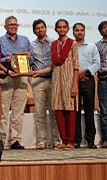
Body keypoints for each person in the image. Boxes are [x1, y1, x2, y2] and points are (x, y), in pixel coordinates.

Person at [33, 19, 79, 149]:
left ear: (68, 29)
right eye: (59, 27)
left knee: (70, 111)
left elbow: (76, 66)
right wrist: (37, 72)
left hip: (69, 81)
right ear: (56, 29)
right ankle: (63, 141)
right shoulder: (53, 45)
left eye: (64, 27)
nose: (62, 29)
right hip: (56, 82)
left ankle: (70, 141)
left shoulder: (73, 43)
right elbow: (51, 66)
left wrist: (75, 85)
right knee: (58, 111)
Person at [0, 16, 33, 150]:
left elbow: (32, 59)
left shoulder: (25, 40)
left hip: (21, 78)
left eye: (15, 24)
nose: (13, 26)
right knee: (3, 111)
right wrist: (6, 59)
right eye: (10, 24)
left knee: (18, 112)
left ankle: (15, 139)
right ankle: (1, 139)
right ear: (5, 26)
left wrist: (28, 57)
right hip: (6, 77)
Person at [29, 19, 61, 149]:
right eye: (37, 28)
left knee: (54, 113)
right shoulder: (31, 45)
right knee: (40, 113)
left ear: (46, 28)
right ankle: (41, 140)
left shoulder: (54, 42)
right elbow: (28, 62)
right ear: (34, 31)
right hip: (37, 81)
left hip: (53, 80)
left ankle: (56, 140)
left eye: (42, 27)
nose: (40, 30)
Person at [73, 22, 100, 149]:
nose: (79, 32)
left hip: (88, 80)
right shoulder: (71, 46)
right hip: (73, 81)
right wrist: (76, 75)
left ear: (84, 32)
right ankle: (76, 140)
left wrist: (84, 73)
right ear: (73, 32)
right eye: (77, 30)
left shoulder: (92, 46)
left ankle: (90, 140)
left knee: (89, 110)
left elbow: (97, 63)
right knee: (76, 111)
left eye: (81, 30)